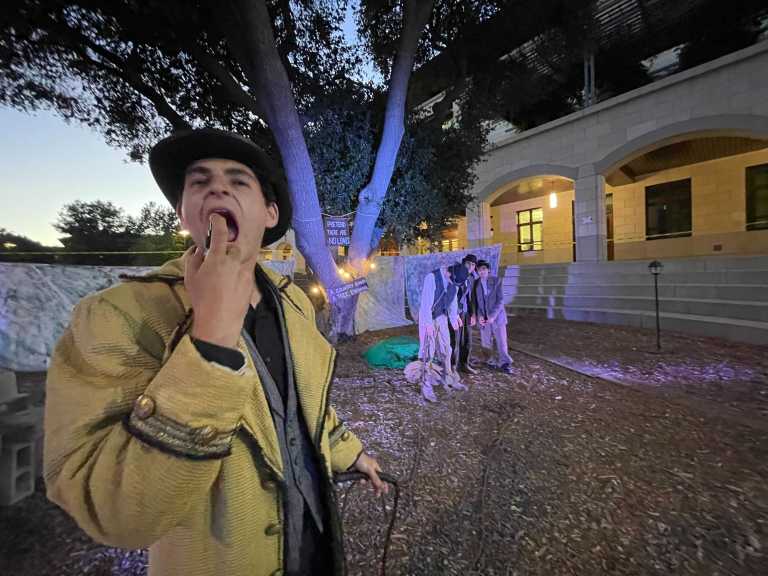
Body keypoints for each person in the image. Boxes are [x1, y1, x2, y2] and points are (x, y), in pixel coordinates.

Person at [43, 128, 386, 576]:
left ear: (269, 213)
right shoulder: (113, 316)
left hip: (313, 543)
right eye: (199, 181)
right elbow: (111, 512)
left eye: (238, 180)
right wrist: (210, 340)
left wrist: (351, 453)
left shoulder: (294, 301)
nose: (217, 187)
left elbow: (304, 405)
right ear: (184, 212)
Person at [417, 262, 470, 401]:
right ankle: (426, 385)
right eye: (451, 280)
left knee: (447, 349)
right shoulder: (432, 277)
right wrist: (428, 324)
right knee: (428, 352)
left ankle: (449, 378)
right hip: (427, 317)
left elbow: (452, 301)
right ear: (448, 272)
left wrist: (454, 317)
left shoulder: (455, 281)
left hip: (442, 317)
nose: (453, 283)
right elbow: (426, 304)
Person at [471, 259, 514, 374]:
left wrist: (492, 316)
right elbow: (475, 303)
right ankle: (489, 360)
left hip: (497, 318)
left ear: (488, 270)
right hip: (483, 319)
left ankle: (505, 363)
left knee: (501, 341)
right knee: (485, 342)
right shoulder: (475, 284)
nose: (482, 272)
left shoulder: (496, 281)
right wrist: (479, 316)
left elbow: (500, 300)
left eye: (484, 269)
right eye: (479, 270)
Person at [449, 254, 478, 375]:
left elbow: (471, 297)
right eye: (468, 264)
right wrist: (454, 314)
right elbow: (451, 296)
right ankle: (452, 366)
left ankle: (464, 363)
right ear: (463, 263)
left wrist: (473, 314)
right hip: (455, 312)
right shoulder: (456, 275)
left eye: (473, 265)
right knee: (454, 340)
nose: (470, 266)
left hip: (466, 312)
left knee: (467, 340)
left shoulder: (471, 278)